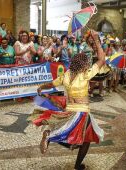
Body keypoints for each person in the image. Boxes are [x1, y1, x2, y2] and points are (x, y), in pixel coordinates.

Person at [28, 31, 105, 170]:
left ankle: (76, 162)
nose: (89, 64)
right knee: (85, 140)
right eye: (87, 63)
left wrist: (41, 87)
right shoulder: (86, 75)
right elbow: (101, 60)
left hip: (70, 111)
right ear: (83, 65)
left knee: (79, 138)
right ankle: (49, 135)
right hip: (81, 113)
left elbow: (51, 84)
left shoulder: (66, 75)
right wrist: (97, 43)